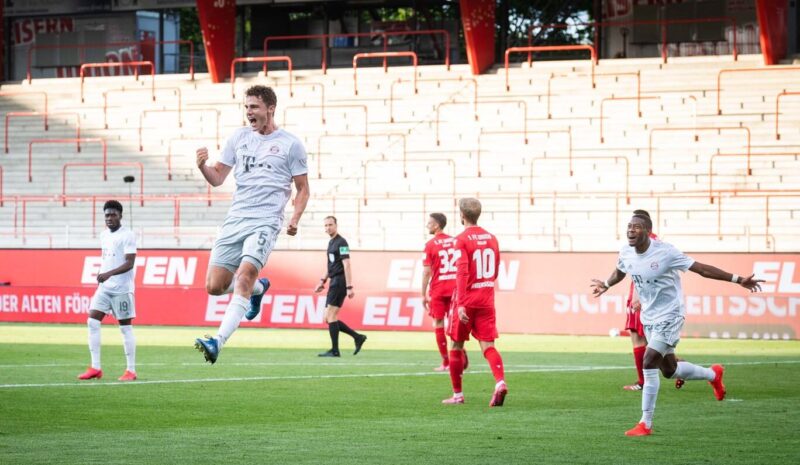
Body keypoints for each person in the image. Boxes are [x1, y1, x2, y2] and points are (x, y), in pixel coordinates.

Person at [591, 212, 763, 436]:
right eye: (629, 226)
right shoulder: (625, 251)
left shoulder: (666, 252)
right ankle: (713, 375)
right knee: (669, 370)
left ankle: (645, 423)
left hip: (671, 315)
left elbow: (701, 269)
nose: (631, 230)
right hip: (649, 317)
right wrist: (606, 284)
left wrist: (738, 279)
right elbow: (620, 271)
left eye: (637, 227)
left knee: (649, 361)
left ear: (648, 231)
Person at [194, 85, 310, 364]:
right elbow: (218, 177)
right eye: (246, 107)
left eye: (254, 107)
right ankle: (259, 289)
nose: (249, 112)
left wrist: (295, 218)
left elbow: (303, 189)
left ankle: (217, 341)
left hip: (265, 220)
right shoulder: (239, 137)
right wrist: (202, 167)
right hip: (236, 219)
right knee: (214, 286)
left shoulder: (291, 144)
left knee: (245, 276)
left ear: (271, 109)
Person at [442, 198, 507, 407]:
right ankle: (500, 382)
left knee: (456, 344)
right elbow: (495, 270)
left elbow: (461, 272)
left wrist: (461, 303)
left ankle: (458, 395)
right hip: (486, 298)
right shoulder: (492, 238)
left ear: (461, 215)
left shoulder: (461, 240)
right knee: (488, 345)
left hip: (467, 300)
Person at [622, 209, 684, 392]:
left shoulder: (650, 241)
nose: (632, 229)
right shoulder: (646, 240)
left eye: (636, 224)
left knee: (639, 338)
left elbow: (646, 270)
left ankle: (642, 382)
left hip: (644, 295)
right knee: (647, 341)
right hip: (643, 292)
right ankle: (678, 367)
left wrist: (636, 295)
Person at [77, 200, 138, 381]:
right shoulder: (103, 235)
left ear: (120, 216)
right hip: (104, 288)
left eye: (113, 214)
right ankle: (95, 367)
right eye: (107, 215)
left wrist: (108, 273)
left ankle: (131, 371)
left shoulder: (128, 235)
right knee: (92, 322)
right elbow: (107, 258)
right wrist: (101, 275)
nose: (109, 218)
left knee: (125, 328)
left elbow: (129, 263)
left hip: (122, 289)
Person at [314, 216, 367, 357]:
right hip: (333, 281)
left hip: (340, 281)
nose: (328, 228)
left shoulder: (342, 242)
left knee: (331, 315)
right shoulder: (331, 242)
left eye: (330, 225)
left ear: (336, 225)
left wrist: (349, 286)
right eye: (325, 225)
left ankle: (335, 350)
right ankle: (357, 337)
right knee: (327, 317)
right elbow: (330, 265)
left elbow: (347, 264)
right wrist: (322, 281)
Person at [421, 213, 457, 371]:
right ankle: (458, 355)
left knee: (439, 323)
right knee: (455, 325)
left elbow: (426, 272)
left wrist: (423, 294)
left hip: (439, 289)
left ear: (437, 225)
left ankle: (446, 362)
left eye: (429, 223)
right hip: (455, 289)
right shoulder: (455, 241)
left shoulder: (430, 245)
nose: (427, 225)